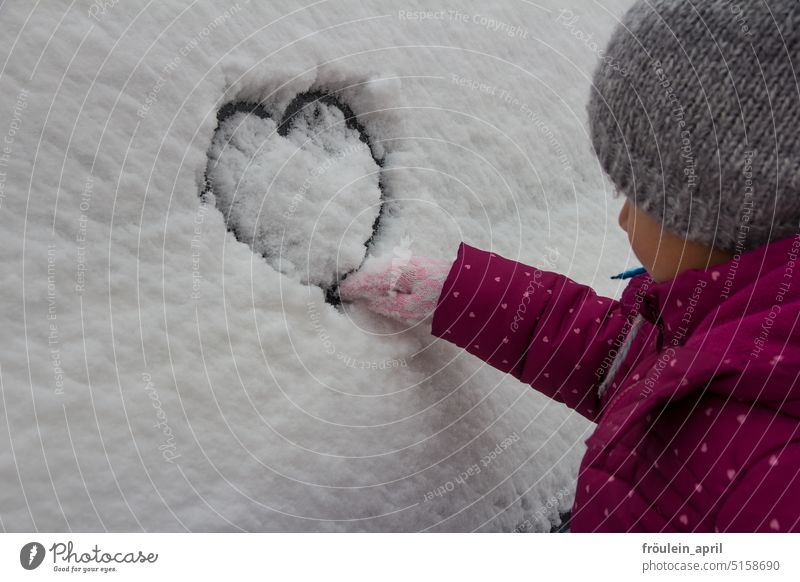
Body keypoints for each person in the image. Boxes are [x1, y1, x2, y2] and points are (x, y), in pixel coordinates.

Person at [338, 0, 800, 532]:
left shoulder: (774, 473)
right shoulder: (729, 332)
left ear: (722, 220)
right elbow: (623, 364)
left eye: (638, 197)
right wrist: (462, 293)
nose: (624, 219)